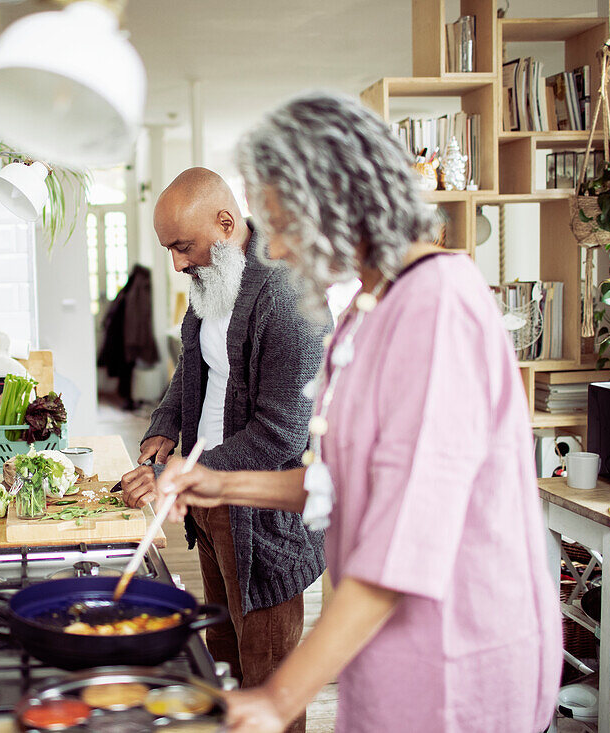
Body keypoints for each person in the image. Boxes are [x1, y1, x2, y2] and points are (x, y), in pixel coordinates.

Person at [158, 94, 563, 732]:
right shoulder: (365, 310)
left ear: (338, 200)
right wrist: (217, 481)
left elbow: (407, 532)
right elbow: (346, 483)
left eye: (284, 224)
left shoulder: (439, 306)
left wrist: (277, 697)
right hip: (385, 653)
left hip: (457, 665)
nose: (279, 250)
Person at [120, 167, 328, 732]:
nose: (178, 264)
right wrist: (163, 430)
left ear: (226, 223)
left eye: (182, 247)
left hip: (262, 516)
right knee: (227, 662)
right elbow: (196, 366)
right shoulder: (216, 279)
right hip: (209, 501)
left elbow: (282, 434)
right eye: (169, 250)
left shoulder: (287, 295)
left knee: (269, 680)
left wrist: (188, 471)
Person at [97, 264, 160, 411]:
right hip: (127, 337)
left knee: (127, 368)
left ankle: (129, 399)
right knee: (126, 368)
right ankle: (128, 399)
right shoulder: (137, 287)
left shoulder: (136, 287)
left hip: (128, 336)